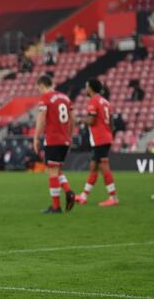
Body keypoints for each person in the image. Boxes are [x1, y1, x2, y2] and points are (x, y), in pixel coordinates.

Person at [32, 75, 75, 214]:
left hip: (53, 139)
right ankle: (68, 191)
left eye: (39, 88)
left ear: (42, 85)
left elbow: (41, 119)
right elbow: (72, 119)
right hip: (65, 139)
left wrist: (36, 138)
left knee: (51, 171)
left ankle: (55, 206)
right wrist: (70, 135)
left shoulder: (45, 98)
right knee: (57, 170)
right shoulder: (65, 98)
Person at [75, 79, 118, 206]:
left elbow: (92, 120)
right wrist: (109, 134)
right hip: (105, 137)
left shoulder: (93, 101)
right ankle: (84, 196)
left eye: (86, 86)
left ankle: (113, 197)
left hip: (100, 139)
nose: (85, 88)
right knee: (93, 167)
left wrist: (80, 121)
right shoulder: (106, 102)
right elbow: (111, 123)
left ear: (91, 88)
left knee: (104, 167)